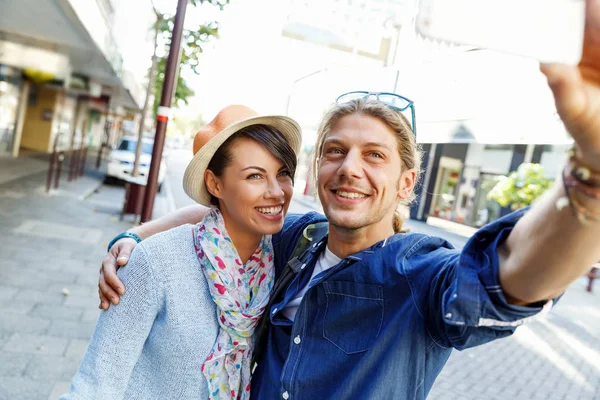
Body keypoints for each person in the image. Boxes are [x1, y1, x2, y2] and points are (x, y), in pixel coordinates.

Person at [99, 1, 600, 397]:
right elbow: (220, 211)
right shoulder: (298, 238)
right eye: (335, 151)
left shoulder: (420, 274)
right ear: (317, 171)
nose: (349, 168)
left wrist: (591, 172)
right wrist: (133, 236)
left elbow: (509, 279)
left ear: (407, 184)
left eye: (374, 156)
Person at [61, 105, 302, 400]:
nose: (277, 192)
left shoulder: (279, 258)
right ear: (215, 184)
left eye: (284, 173)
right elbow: (97, 384)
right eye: (255, 176)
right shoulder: (156, 262)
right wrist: (132, 236)